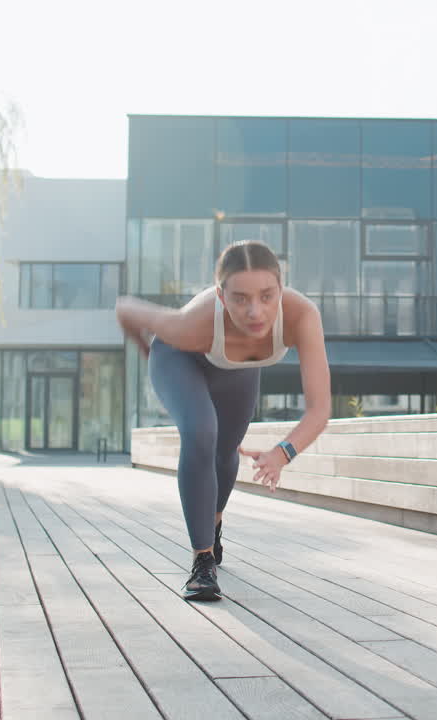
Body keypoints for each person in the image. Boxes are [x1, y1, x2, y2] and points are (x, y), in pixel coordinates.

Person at [115, 240, 330, 601]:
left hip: (237, 371)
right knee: (201, 431)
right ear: (220, 295)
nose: (256, 312)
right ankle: (202, 563)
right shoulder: (189, 324)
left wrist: (282, 453)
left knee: (226, 449)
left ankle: (212, 527)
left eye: (266, 296)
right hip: (180, 359)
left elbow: (319, 408)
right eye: (240, 298)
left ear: (281, 286)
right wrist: (148, 351)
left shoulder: (301, 316)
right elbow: (126, 309)